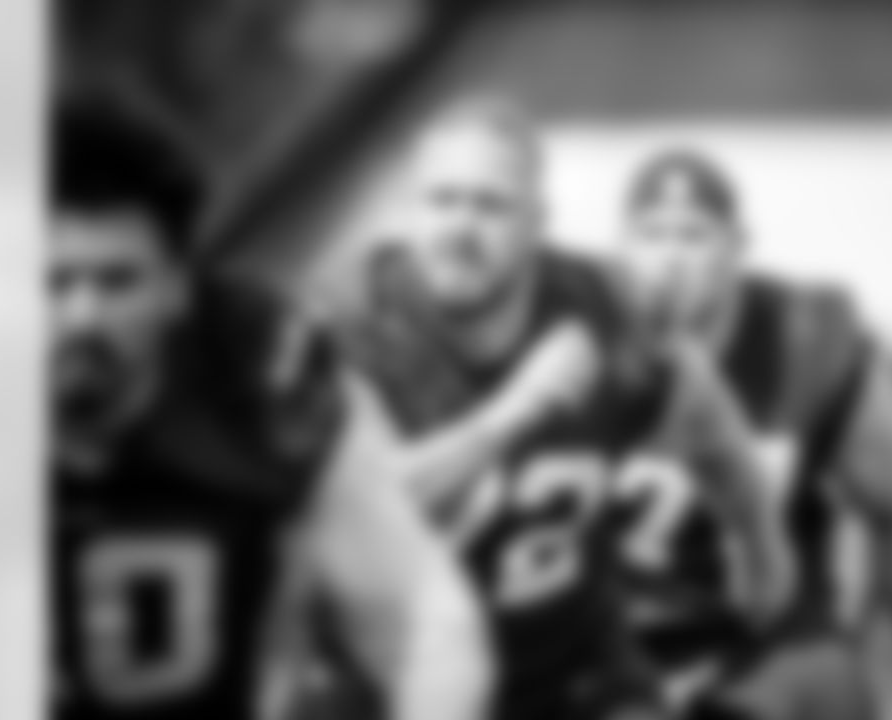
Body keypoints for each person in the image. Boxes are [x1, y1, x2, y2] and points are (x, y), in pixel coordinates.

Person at [326, 101, 794, 720]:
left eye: (489, 206)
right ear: (410, 211)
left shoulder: (601, 310)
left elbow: (712, 429)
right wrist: (515, 412)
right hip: (398, 684)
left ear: (536, 225)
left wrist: (759, 545)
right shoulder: (360, 320)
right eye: (441, 200)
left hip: (574, 671)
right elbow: (373, 513)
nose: (460, 226)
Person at [50, 99, 492, 720]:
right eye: (50, 282)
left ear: (177, 287)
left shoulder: (256, 377)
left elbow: (422, 623)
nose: (82, 317)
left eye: (116, 281)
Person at [608, 149, 892, 720]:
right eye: (652, 234)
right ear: (620, 248)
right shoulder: (578, 329)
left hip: (770, 637)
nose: (671, 259)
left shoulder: (802, 337)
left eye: (693, 235)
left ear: (737, 246)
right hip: (616, 640)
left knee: (824, 681)